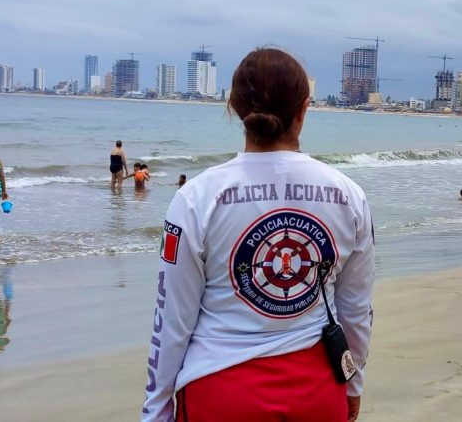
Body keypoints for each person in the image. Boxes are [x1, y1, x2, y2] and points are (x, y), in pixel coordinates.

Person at [142, 48, 375, 422]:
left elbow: (171, 320)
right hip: (316, 393)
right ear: (304, 109)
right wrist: (352, 384)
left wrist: (156, 411)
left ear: (233, 107)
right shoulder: (349, 196)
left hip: (218, 392)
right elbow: (356, 312)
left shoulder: (196, 198)